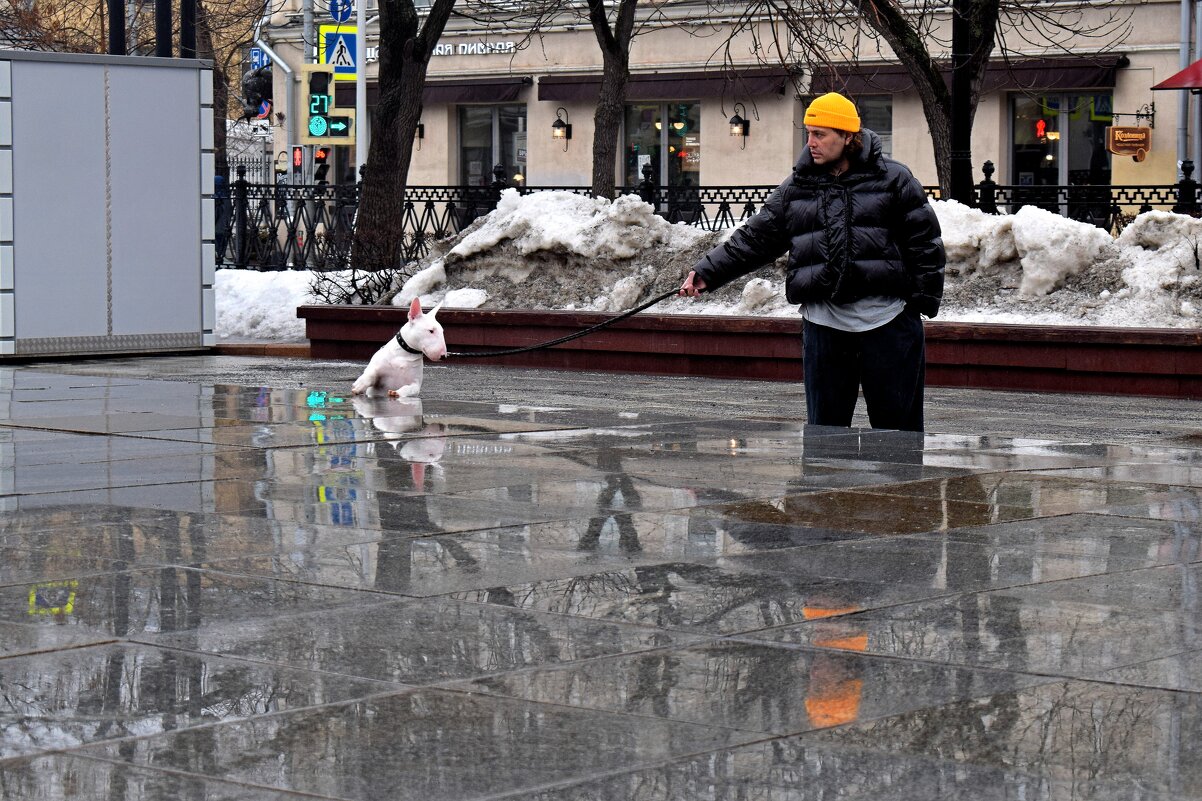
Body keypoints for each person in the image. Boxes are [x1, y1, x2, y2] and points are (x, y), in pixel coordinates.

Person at [679, 92, 945, 432]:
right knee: (825, 439)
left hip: (889, 325)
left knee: (899, 436)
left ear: (848, 137)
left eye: (820, 134)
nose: (811, 143)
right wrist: (706, 272)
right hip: (825, 328)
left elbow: (925, 244)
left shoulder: (894, 179)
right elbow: (756, 238)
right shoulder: (797, 187)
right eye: (808, 133)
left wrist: (918, 306)